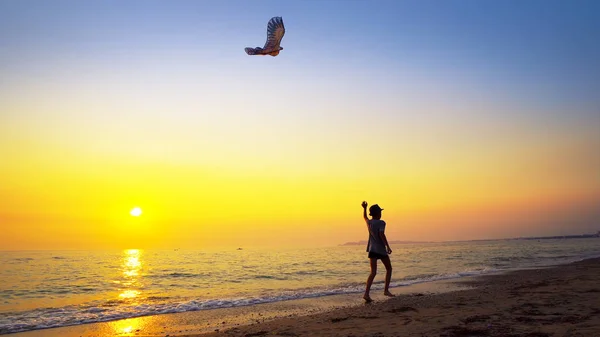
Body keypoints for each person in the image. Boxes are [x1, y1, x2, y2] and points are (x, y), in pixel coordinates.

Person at [361, 201, 394, 302]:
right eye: (380, 212)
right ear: (377, 213)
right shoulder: (381, 223)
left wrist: (364, 208)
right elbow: (381, 235)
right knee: (389, 269)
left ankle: (366, 294)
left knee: (373, 272)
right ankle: (386, 290)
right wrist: (388, 246)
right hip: (380, 249)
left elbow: (365, 217)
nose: (381, 213)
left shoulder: (369, 223)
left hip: (372, 249)